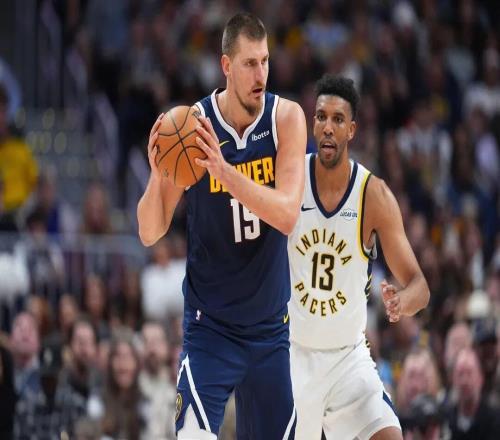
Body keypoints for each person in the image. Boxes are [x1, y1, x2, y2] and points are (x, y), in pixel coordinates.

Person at [137, 12, 306, 440]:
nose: (261, 74)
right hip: (210, 328)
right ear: (226, 66)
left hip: (270, 330)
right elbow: (149, 232)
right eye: (250, 63)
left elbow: (287, 215)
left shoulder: (286, 119)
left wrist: (225, 172)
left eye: (265, 61)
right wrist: (158, 173)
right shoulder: (194, 127)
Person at [287, 74, 430, 440]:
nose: (328, 127)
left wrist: (402, 302)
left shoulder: (373, 195)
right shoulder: (291, 178)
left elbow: (420, 286)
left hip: (347, 358)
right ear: (312, 123)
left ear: (351, 130)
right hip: (292, 354)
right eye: (321, 117)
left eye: (338, 119)